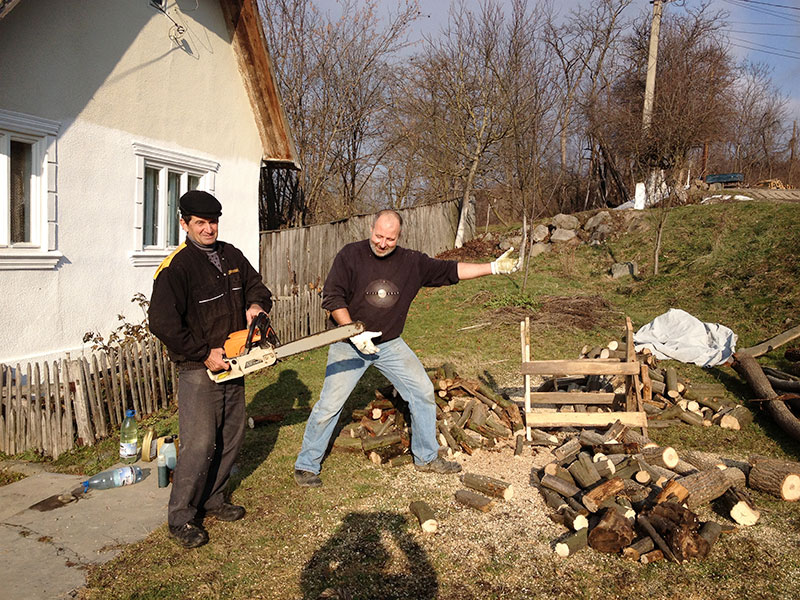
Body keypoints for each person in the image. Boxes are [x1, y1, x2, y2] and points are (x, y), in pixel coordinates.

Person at [294, 209, 519, 487]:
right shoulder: (349, 255)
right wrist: (353, 331)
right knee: (329, 405)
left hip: (389, 344)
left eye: (390, 238)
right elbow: (332, 298)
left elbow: (451, 270)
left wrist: (492, 267)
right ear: (371, 229)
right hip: (349, 344)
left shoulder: (411, 262)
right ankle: (307, 465)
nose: (382, 243)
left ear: (398, 236)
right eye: (378, 236)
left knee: (422, 391)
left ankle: (426, 457)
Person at [149, 190, 273, 548]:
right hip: (197, 368)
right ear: (184, 223)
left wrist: (255, 305)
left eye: (212, 222)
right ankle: (181, 516)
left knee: (232, 437)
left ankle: (214, 498)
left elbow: (257, 286)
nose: (208, 229)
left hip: (234, 362)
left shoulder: (230, 254)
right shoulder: (176, 268)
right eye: (200, 223)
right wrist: (203, 353)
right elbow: (163, 323)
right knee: (199, 442)